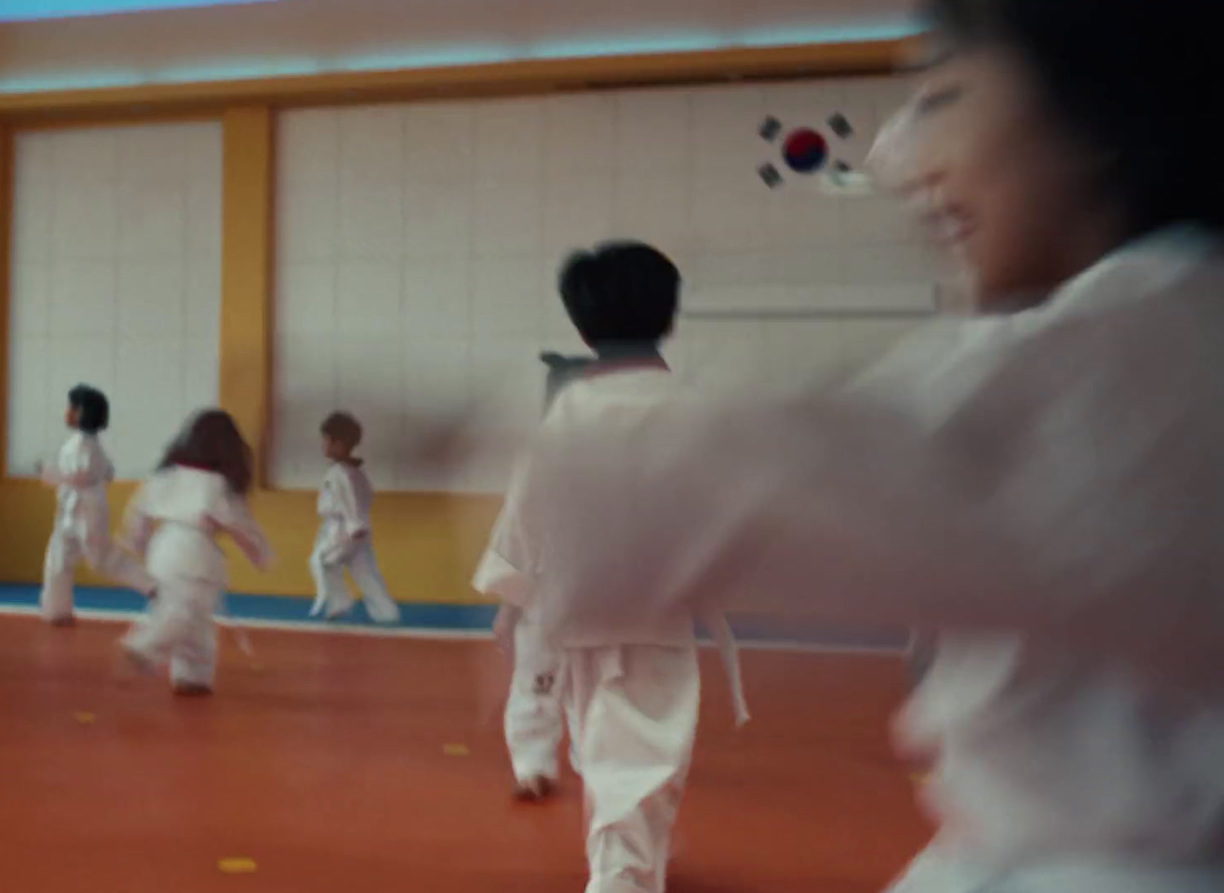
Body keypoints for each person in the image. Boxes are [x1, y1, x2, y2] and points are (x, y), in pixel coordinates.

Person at [506, 2, 1224, 891]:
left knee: (626, 759)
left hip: (1112, 863)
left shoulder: (1145, 348)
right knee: (632, 758)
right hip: (639, 626)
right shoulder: (1137, 330)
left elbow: (866, 452)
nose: (895, 158)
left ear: (1101, 114)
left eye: (947, 96)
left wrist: (492, 478)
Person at [477, 241, 750, 891]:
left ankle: (632, 856)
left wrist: (511, 593)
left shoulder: (567, 414)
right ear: (671, 317)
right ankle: (621, 873)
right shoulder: (697, 409)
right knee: (643, 751)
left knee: (606, 743)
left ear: (581, 327)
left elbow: (525, 516)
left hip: (571, 607)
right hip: (657, 606)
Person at [120, 409, 273, 695]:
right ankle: (147, 644)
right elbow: (242, 526)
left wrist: (136, 543)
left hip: (163, 549)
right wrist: (260, 554)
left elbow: (138, 511)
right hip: (197, 554)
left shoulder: (165, 476)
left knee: (196, 620)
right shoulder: (218, 485)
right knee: (186, 614)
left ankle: (194, 677)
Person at [37, 384, 158, 625]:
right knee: (57, 558)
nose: (67, 413)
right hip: (71, 510)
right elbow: (107, 471)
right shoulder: (78, 443)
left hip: (88, 510)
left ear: (83, 412)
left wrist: (51, 473)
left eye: (72, 408)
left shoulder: (88, 445)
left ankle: (155, 588)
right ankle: (56, 610)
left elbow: (83, 477)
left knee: (102, 559)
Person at [308, 411, 400, 623]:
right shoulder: (356, 472)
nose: (324, 444)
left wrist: (353, 525)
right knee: (365, 572)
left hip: (343, 529)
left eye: (326, 440)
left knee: (322, 561)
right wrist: (359, 525)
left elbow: (350, 502)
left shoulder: (340, 474)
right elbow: (366, 496)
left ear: (338, 443)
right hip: (357, 528)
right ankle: (387, 612)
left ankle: (339, 602)